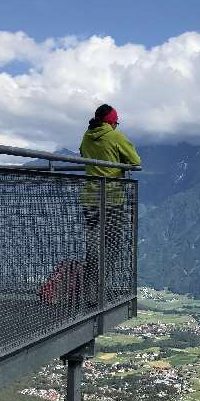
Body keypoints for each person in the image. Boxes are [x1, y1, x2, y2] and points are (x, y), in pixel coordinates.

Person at [78, 104, 141, 307]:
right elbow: (135, 161)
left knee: (93, 248)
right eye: (116, 122)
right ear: (112, 122)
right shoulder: (116, 137)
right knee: (112, 248)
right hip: (112, 200)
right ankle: (101, 293)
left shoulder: (87, 136)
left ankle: (88, 294)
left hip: (90, 199)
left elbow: (82, 155)